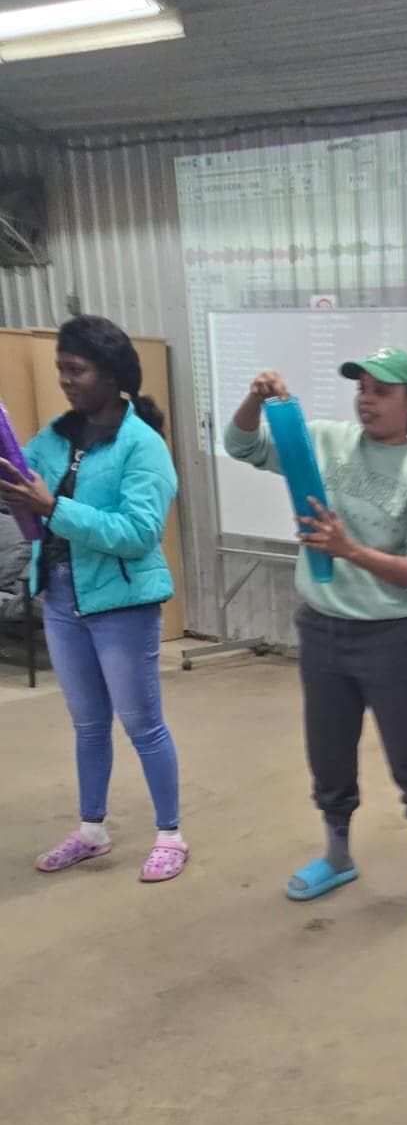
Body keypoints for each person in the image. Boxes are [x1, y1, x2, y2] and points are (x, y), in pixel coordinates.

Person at [225, 348, 407, 917]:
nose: (367, 399)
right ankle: (337, 856)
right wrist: (256, 400)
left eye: (382, 390)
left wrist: (349, 550)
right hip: (322, 629)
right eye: (362, 388)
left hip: (391, 639)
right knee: (327, 752)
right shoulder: (325, 441)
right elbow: (243, 446)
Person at [0, 315, 186, 882]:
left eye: (76, 369)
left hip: (121, 606)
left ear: (111, 374)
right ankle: (92, 830)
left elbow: (137, 532)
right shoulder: (56, 437)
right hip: (61, 599)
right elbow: (21, 488)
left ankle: (170, 834)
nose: (65, 380)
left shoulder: (142, 447)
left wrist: (52, 506)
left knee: (142, 724)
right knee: (87, 726)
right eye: (61, 368)